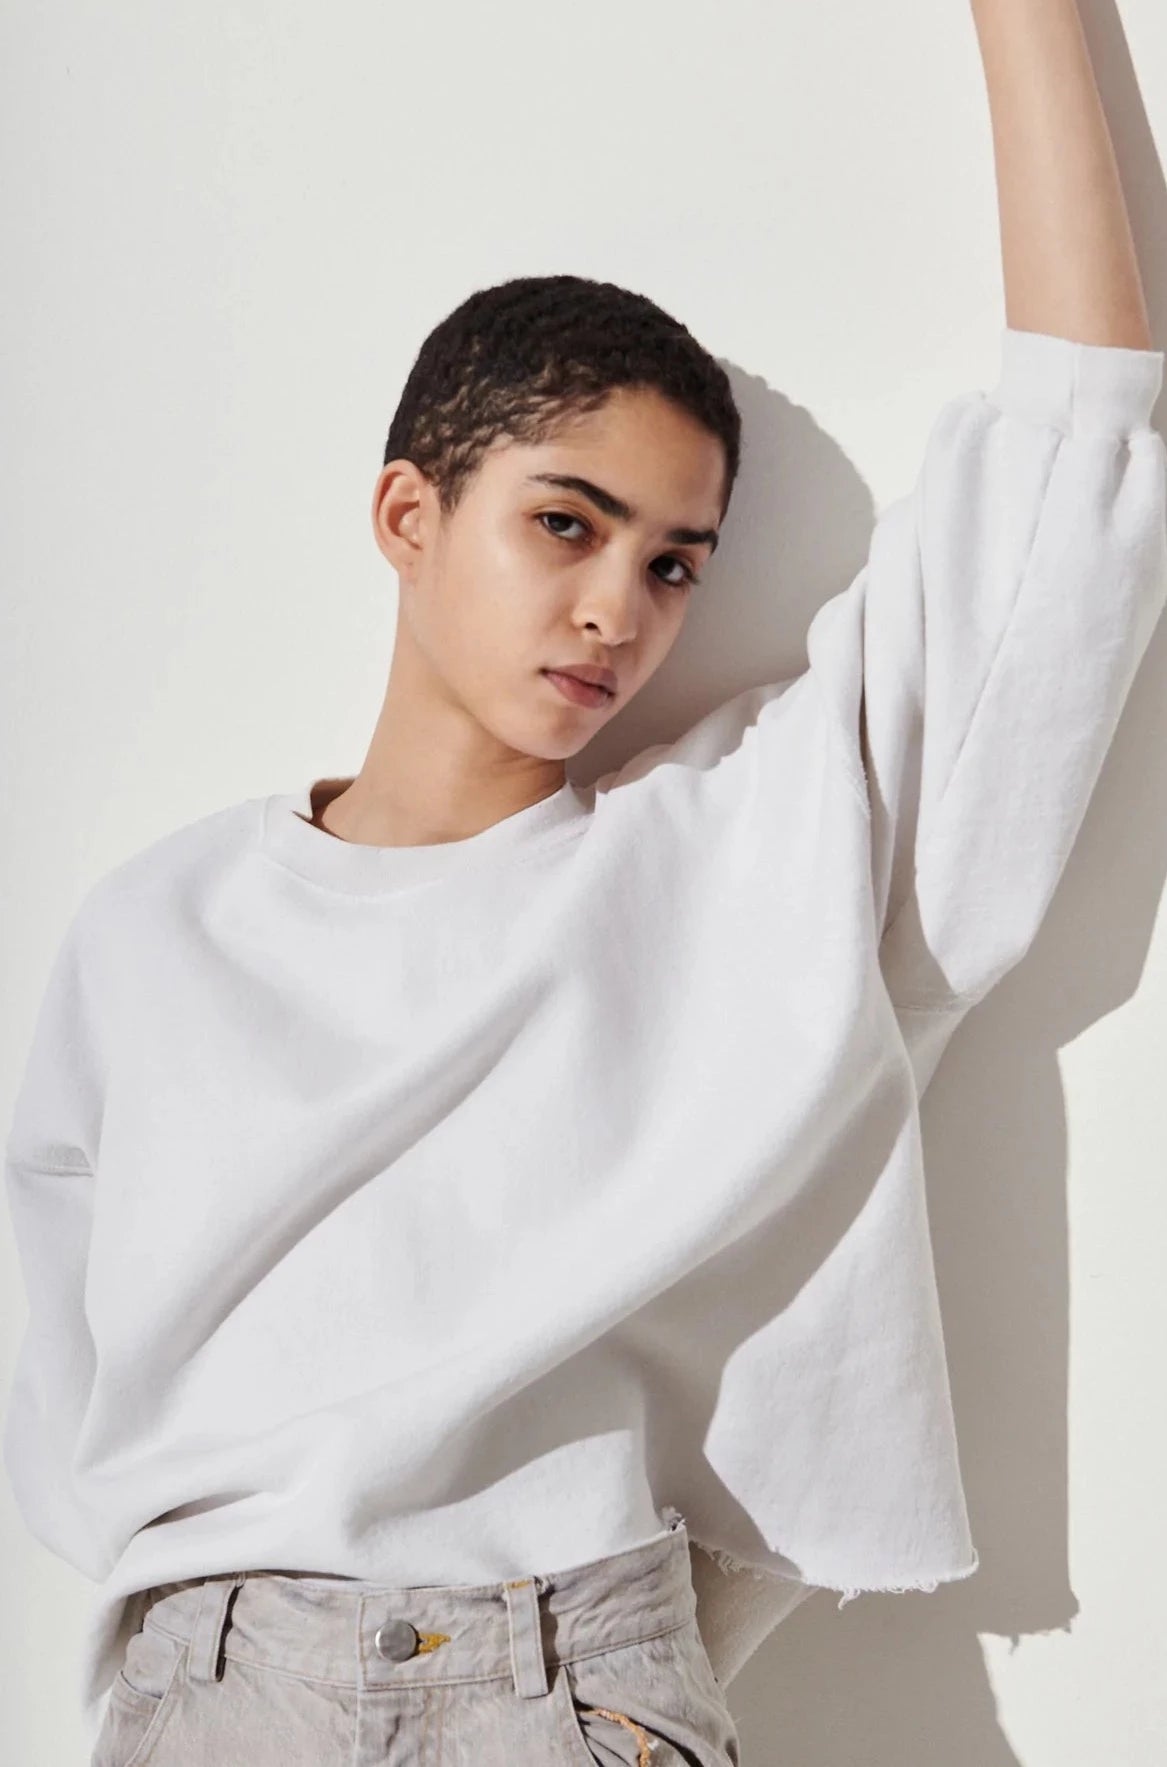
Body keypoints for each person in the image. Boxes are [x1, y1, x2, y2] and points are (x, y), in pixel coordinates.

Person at [5, 4, 1164, 1762]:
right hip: (221, 1688)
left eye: (676, 561)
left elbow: (1075, 452)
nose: (619, 607)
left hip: (568, 1685)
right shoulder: (156, 932)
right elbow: (63, 1390)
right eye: (566, 523)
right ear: (409, 517)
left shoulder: (742, 861)